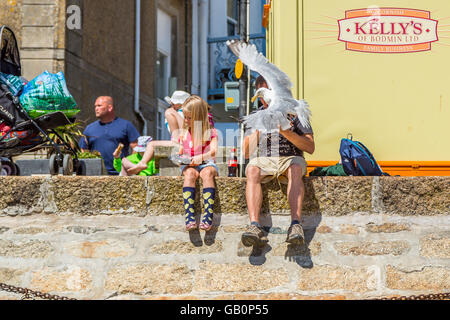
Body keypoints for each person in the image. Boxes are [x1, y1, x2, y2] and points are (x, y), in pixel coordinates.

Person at [241, 76, 315, 247]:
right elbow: (246, 152)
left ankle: (296, 225)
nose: (267, 100)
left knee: (295, 168)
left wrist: (286, 132)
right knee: (252, 168)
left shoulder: (294, 110)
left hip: (290, 158)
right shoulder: (256, 115)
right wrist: (261, 127)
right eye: (263, 97)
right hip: (266, 160)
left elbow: (310, 147)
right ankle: (254, 226)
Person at [126, 91, 191, 175]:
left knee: (152, 144)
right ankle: (142, 163)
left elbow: (185, 129)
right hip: (185, 142)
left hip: (182, 142)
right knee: (151, 144)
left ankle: (142, 163)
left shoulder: (175, 112)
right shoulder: (182, 113)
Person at [178, 95, 218, 232]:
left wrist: (201, 157)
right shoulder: (184, 133)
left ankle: (208, 214)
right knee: (189, 174)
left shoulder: (210, 132)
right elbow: (180, 151)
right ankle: (189, 216)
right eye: (185, 117)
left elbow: (213, 152)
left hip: (206, 163)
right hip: (190, 165)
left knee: (207, 173)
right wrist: (181, 158)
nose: (186, 120)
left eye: (189, 118)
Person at [79, 96, 140, 175]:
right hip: (95, 174)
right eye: (95, 106)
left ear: (110, 108)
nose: (96, 108)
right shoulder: (89, 128)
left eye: (99, 106)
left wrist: (129, 167)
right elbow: (83, 150)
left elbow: (136, 147)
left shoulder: (125, 125)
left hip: (120, 174)